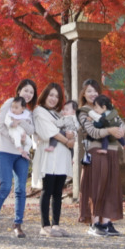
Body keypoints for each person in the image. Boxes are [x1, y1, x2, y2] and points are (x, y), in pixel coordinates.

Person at [0, 79, 37, 239]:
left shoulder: (27, 112)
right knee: (6, 186)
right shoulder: (10, 103)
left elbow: (31, 129)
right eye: (26, 90)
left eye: (31, 92)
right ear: (19, 90)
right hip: (6, 151)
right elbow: (1, 126)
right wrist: (16, 142)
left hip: (21, 155)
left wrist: (21, 123)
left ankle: (17, 225)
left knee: (21, 189)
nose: (28, 94)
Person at [76, 79, 125, 237]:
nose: (93, 94)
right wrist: (111, 130)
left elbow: (122, 124)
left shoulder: (106, 107)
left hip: (111, 151)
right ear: (83, 93)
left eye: (95, 91)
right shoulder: (83, 111)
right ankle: (95, 222)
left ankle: (106, 222)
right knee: (96, 186)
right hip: (95, 151)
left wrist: (121, 131)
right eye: (89, 91)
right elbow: (92, 132)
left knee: (110, 186)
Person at [31, 83, 74, 237]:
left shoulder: (58, 114)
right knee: (47, 190)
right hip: (48, 155)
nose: (53, 98)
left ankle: (56, 224)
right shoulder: (39, 111)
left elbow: (70, 130)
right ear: (45, 95)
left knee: (57, 192)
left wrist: (72, 139)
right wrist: (67, 141)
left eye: (56, 96)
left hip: (62, 156)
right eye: (51, 95)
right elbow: (50, 132)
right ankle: (45, 226)